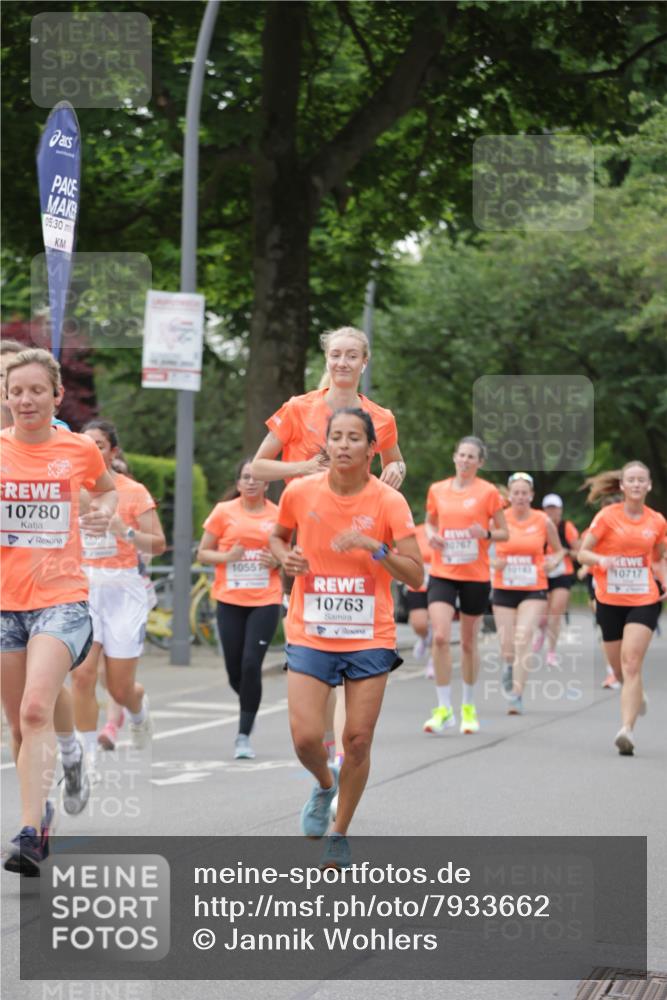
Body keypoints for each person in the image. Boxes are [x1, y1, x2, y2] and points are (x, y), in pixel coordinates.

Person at [269, 408, 422, 869]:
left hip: (368, 634)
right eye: (336, 437)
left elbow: (415, 575)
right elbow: (277, 539)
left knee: (357, 739)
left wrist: (373, 547)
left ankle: (339, 832)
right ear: (327, 445)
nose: (344, 445)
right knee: (305, 739)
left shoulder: (388, 503)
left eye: (355, 438)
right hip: (311, 630)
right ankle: (323, 784)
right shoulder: (299, 492)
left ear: (371, 449)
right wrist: (285, 560)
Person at [1, 349, 117, 874]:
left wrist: (102, 515)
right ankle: (65, 769)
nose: (25, 399)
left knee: (33, 709)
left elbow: (107, 492)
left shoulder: (77, 450)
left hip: (60, 599)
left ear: (55, 396)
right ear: (6, 397)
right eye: (15, 390)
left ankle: (28, 834)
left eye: (34, 390)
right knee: (21, 727)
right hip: (5, 604)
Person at [71, 421, 166, 780]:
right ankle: (87, 756)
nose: (92, 450)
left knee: (119, 688)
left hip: (123, 589)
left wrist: (123, 531)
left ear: (113, 451)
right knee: (81, 675)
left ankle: (138, 713)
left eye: (100, 444)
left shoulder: (133, 491)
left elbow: (158, 543)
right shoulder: (70, 489)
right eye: (86, 444)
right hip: (81, 587)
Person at [577, 462, 666, 756]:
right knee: (618, 669)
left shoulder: (657, 522)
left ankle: (626, 730)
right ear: (623, 486)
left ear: (649, 486)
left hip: (643, 599)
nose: (637, 484)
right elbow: (582, 553)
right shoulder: (606, 517)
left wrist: (664, 579)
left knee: (631, 663)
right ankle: (636, 696)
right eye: (632, 480)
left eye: (642, 480)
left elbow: (658, 558)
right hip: (609, 600)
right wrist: (601, 561)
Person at [197, 459, 283, 759]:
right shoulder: (224, 513)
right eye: (245, 477)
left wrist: (278, 560)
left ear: (266, 484)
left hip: (265, 599)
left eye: (256, 477)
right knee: (234, 671)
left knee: (250, 665)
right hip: (230, 600)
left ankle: (243, 735)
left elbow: (292, 550)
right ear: (238, 483)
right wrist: (226, 557)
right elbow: (203, 553)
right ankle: (251, 702)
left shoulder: (279, 514)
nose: (250, 482)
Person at [423, 436, 508, 736]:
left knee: (469, 642)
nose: (465, 460)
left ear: (480, 462)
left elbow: (504, 533)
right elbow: (430, 521)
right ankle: (444, 707)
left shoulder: (488, 493)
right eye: (461, 455)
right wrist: (432, 534)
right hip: (443, 571)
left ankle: (468, 707)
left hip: (475, 574)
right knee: (442, 637)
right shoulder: (438, 490)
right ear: (454, 457)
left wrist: (484, 532)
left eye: (472, 457)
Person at [251, 326, 406, 487]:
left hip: (353, 507)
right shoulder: (297, 408)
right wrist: (304, 467)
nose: (342, 363)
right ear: (327, 359)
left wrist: (397, 468)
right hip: (303, 507)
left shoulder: (382, 418)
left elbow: (395, 463)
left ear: (364, 362)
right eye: (335, 355)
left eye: (352, 356)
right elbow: (257, 468)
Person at [491, 473, 566, 715]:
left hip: (534, 588)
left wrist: (552, 563)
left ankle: (516, 694)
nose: (521, 497)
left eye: (525, 493)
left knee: (524, 638)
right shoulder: (498, 519)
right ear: (509, 495)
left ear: (532, 496)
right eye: (517, 493)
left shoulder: (543, 520)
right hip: (504, 587)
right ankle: (509, 666)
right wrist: (493, 562)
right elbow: (482, 549)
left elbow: (559, 551)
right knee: (507, 647)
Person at [533, 493, 580, 666]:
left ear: (560, 510)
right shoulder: (537, 526)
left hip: (562, 573)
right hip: (542, 573)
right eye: (548, 508)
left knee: (556, 612)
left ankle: (551, 651)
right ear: (543, 510)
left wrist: (564, 553)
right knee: (541, 615)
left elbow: (579, 553)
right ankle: (542, 631)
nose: (552, 512)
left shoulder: (567, 528)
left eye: (555, 508)